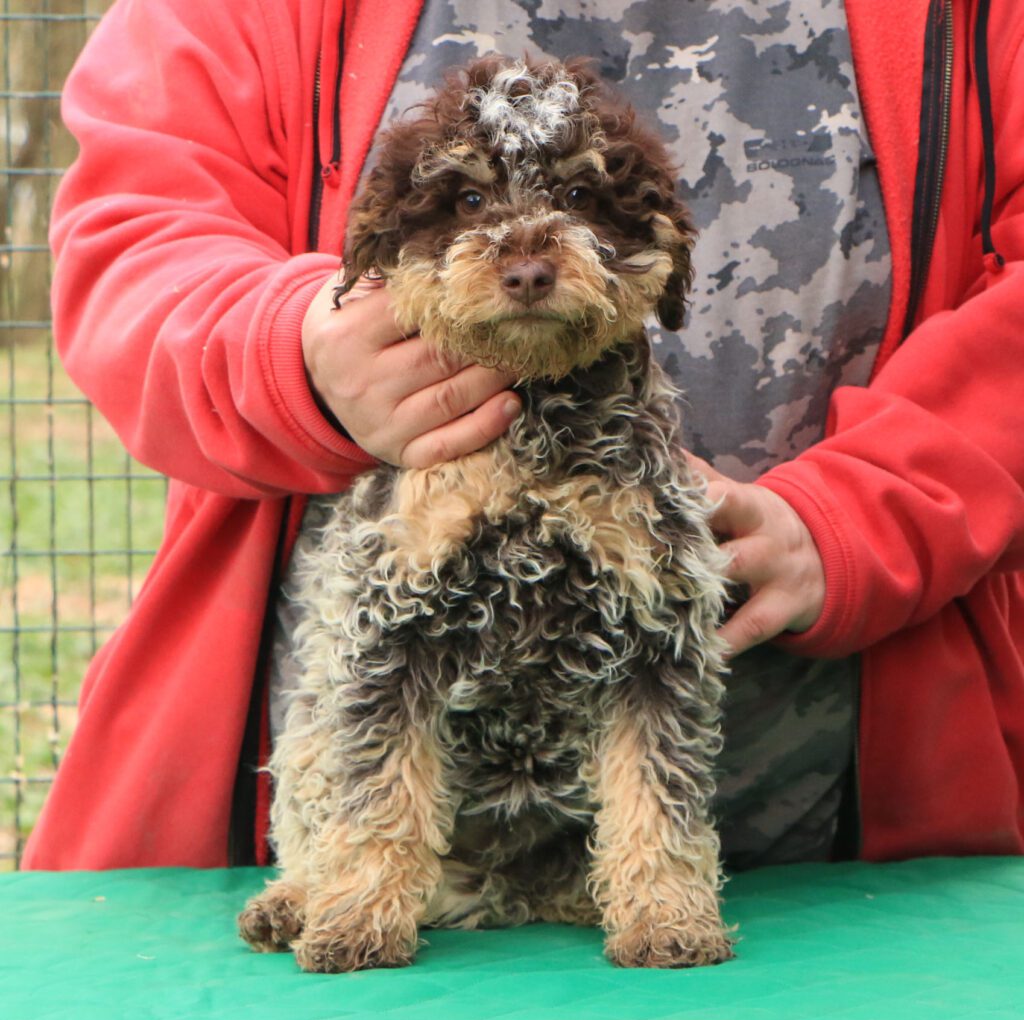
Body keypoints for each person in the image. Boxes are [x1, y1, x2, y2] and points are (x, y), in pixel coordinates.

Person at [23, 0, 1024, 871]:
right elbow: (133, 230)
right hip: (349, 837)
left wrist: (872, 515)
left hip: (837, 851)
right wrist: (293, 357)